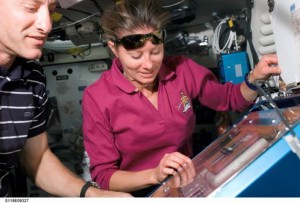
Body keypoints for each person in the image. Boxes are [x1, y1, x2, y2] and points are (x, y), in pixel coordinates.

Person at [82, 0, 281, 197]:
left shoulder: (182, 70)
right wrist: (155, 175)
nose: (148, 64)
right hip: (136, 194)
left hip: (188, 185)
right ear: (114, 49)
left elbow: (229, 98)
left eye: (155, 52)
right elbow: (104, 176)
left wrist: (254, 78)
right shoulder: (98, 97)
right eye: (136, 56)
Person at [0, 0, 131, 198]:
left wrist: (93, 194)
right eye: (31, 8)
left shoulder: (32, 76)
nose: (46, 26)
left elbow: (37, 158)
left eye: (51, 11)